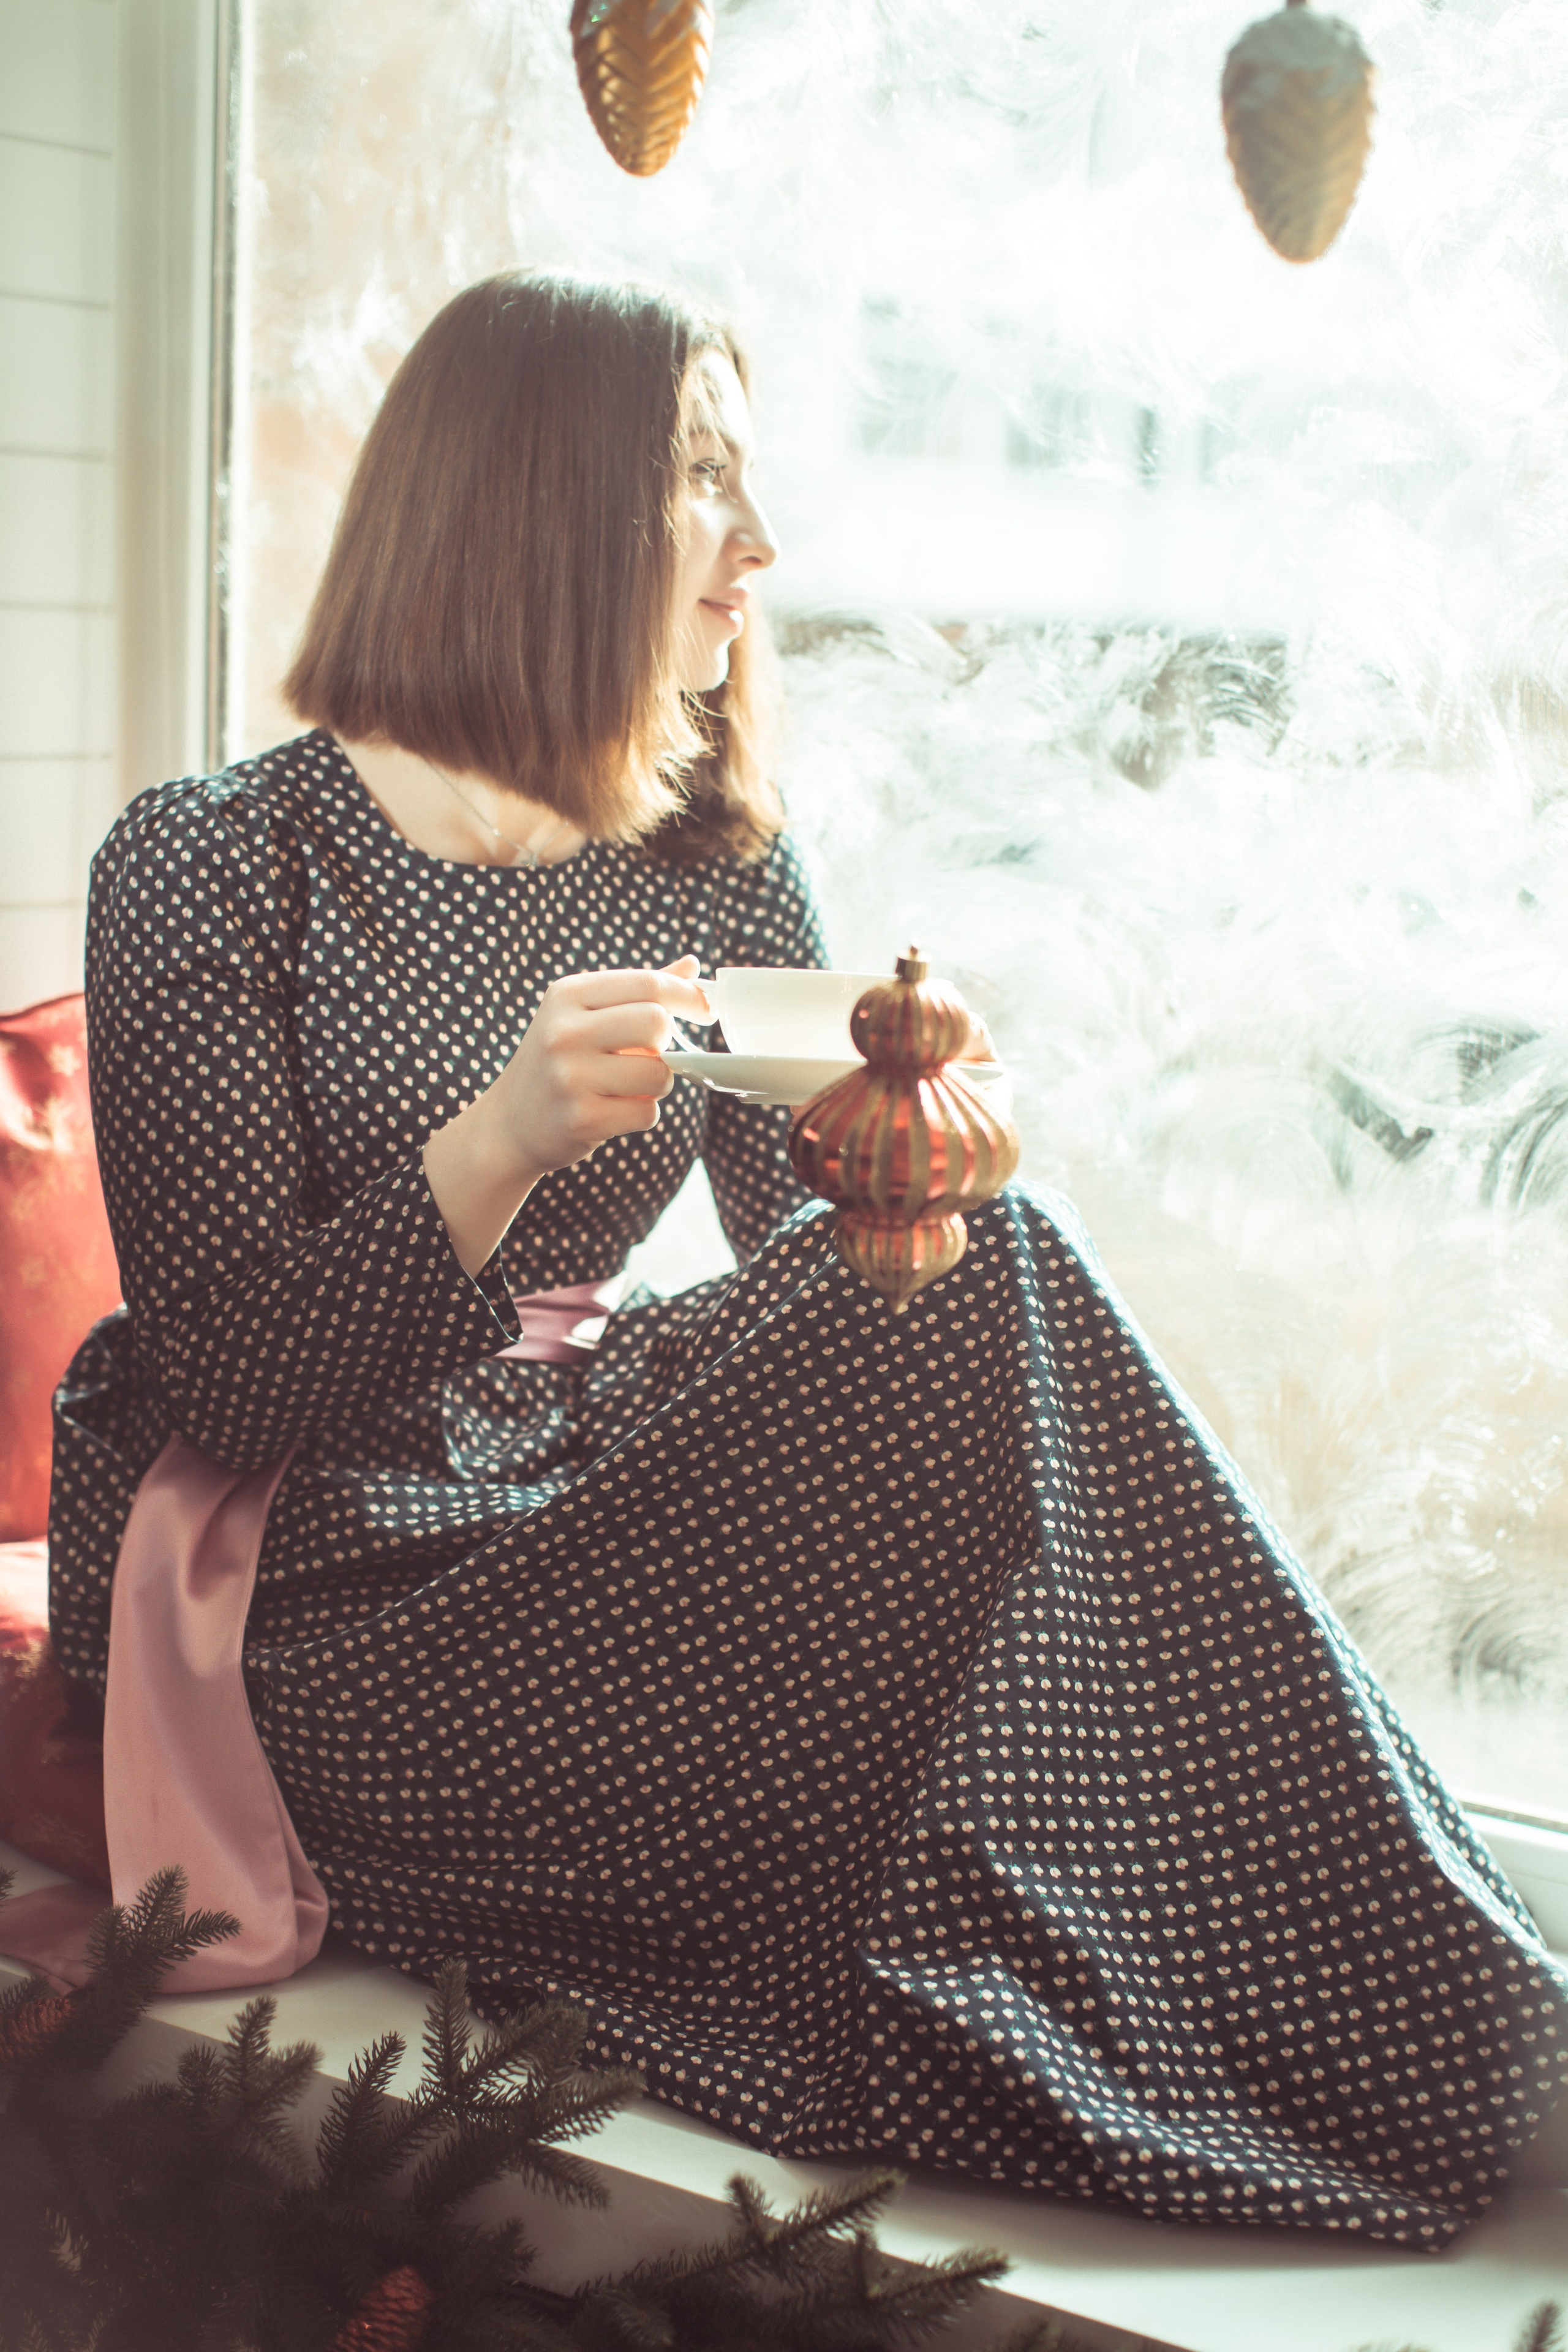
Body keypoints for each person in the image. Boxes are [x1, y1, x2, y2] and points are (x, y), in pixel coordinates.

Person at [45, 273, 1567, 2248]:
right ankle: (1469, 2023)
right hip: (309, 1567)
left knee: (981, 1256)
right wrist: (501, 1140)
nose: (758, 546)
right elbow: (238, 1373)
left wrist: (912, 1125)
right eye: (701, 481)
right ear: (538, 504)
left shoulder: (704, 848)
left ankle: (1433, 2002)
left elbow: (848, 1290)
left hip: (549, 1495)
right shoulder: (215, 855)